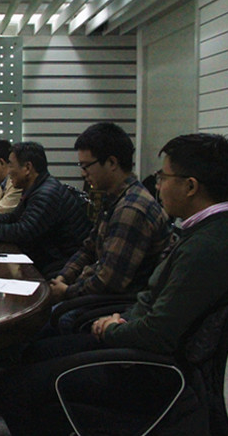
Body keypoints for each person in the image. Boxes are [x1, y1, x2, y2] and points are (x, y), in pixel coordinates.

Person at [0, 133, 228, 436]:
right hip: (133, 334)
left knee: (14, 388)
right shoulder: (204, 232)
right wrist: (122, 319)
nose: (158, 186)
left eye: (163, 177)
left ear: (191, 186)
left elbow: (158, 334)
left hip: (151, 368)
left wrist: (112, 327)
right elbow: (154, 302)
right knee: (35, 356)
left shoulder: (206, 247)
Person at [49, 123, 171, 321]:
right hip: (98, 297)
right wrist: (63, 277)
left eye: (86, 166)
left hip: (114, 309)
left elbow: (109, 281)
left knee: (45, 322)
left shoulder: (131, 209)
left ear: (112, 162)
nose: (83, 173)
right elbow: (89, 248)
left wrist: (66, 291)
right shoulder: (115, 198)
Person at [0, 142, 91, 277]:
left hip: (61, 266)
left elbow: (22, 232)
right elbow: (13, 217)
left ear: (27, 168)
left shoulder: (45, 194)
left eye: (11, 165)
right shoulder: (37, 188)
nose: (8, 171)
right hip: (52, 260)